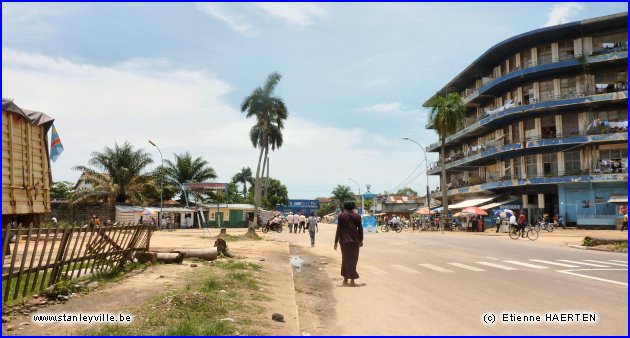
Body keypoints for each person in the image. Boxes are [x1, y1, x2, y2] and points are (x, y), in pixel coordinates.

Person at [334, 201, 363, 287]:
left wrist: (335, 241)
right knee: (354, 260)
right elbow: (360, 229)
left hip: (344, 241)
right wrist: (361, 240)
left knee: (345, 260)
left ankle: (345, 279)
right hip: (355, 241)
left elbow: (339, 229)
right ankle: (352, 281)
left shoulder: (341, 216)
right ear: (353, 207)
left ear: (345, 207)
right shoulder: (357, 216)